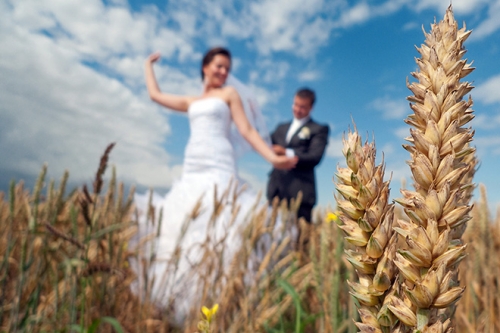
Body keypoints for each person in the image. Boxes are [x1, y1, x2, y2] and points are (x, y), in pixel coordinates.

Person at [132, 47, 297, 319]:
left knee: (220, 225)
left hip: (220, 162)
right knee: (183, 225)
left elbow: (246, 130)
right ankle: (178, 303)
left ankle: (221, 302)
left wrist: (271, 158)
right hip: (192, 164)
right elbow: (155, 95)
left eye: (227, 68)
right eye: (219, 66)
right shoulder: (191, 101)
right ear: (205, 66)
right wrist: (147, 65)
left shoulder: (229, 95)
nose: (223, 72)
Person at [266, 88, 329, 223]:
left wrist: (286, 152)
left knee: (299, 241)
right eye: (295, 104)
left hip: (300, 193)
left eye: (302, 107)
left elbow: (315, 156)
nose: (297, 109)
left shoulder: (318, 129)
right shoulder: (281, 128)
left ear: (311, 107)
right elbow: (264, 142)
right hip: (276, 191)